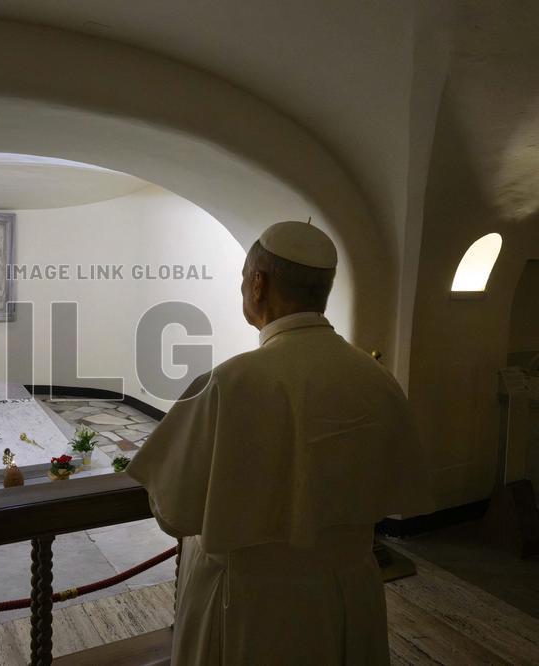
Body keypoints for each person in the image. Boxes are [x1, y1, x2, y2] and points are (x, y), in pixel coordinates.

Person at [127, 221, 434, 665]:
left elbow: (175, 510)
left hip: (249, 604)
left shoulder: (229, 382)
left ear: (258, 283)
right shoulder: (378, 379)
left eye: (243, 279)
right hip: (348, 592)